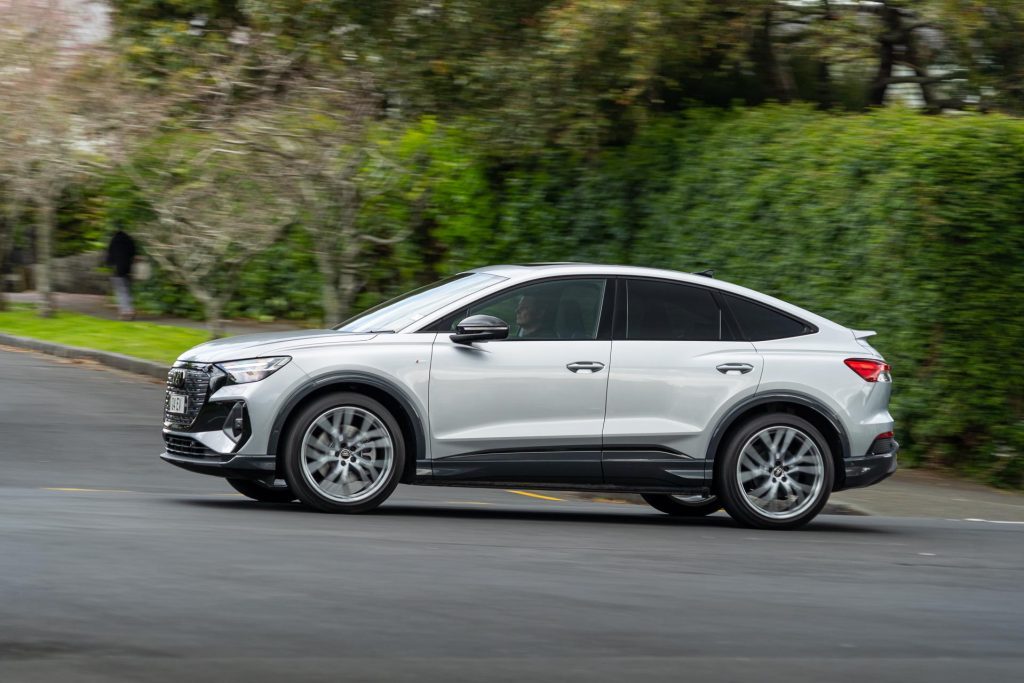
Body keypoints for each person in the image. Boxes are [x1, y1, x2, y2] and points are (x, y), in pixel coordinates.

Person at [105, 229, 136, 320]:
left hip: (117, 271)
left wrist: (109, 265)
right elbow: (133, 253)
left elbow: (110, 255)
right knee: (127, 290)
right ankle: (129, 310)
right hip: (128, 269)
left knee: (120, 291)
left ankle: (126, 311)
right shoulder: (129, 241)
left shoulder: (114, 241)